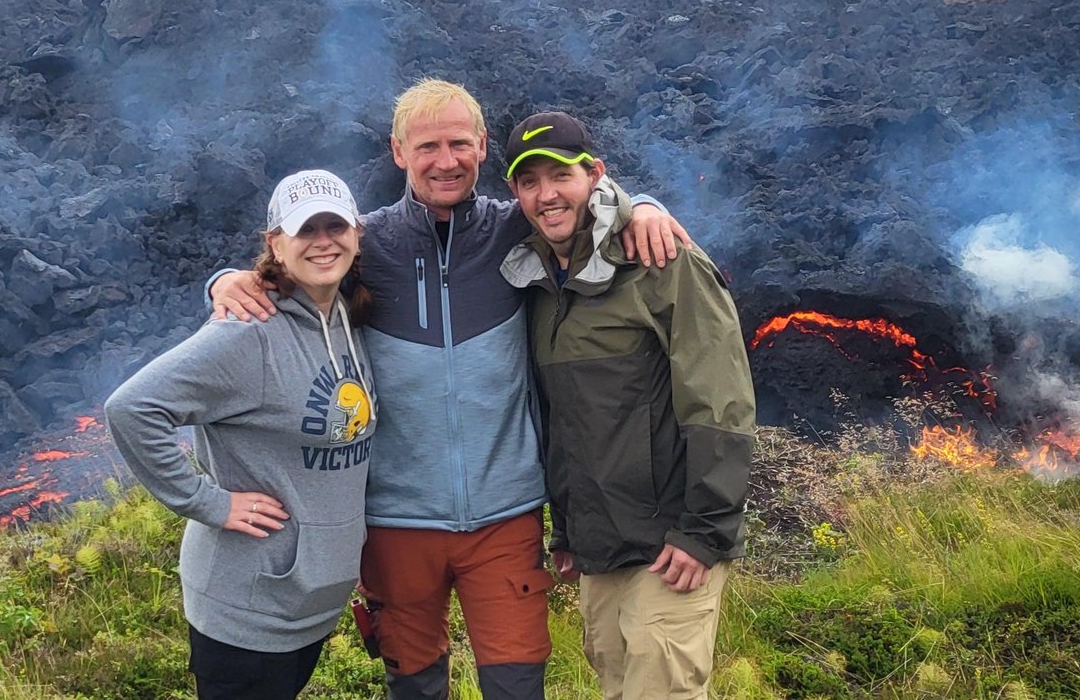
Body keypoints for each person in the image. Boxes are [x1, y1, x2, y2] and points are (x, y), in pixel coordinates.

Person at [208, 79, 690, 700]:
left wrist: (641, 205)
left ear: (482, 146)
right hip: (395, 521)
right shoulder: (364, 245)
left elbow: (579, 202)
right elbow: (293, 260)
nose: (446, 161)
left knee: (517, 687)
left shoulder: (515, 229)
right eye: (427, 146)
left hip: (505, 517)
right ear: (398, 152)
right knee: (414, 687)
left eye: (460, 143)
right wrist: (224, 280)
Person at [498, 111, 756, 700]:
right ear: (515, 192)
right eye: (530, 181)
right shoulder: (539, 285)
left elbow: (721, 404)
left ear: (595, 175)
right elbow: (569, 423)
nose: (546, 195)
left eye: (560, 176)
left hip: (671, 546)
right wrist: (568, 530)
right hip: (600, 550)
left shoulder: (662, 263)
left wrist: (705, 531)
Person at [105, 169, 376, 700]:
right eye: (305, 229)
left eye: (335, 226)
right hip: (248, 608)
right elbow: (132, 408)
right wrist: (208, 502)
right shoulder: (248, 333)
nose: (323, 241)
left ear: (357, 234)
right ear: (275, 243)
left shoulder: (347, 316)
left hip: (307, 602)